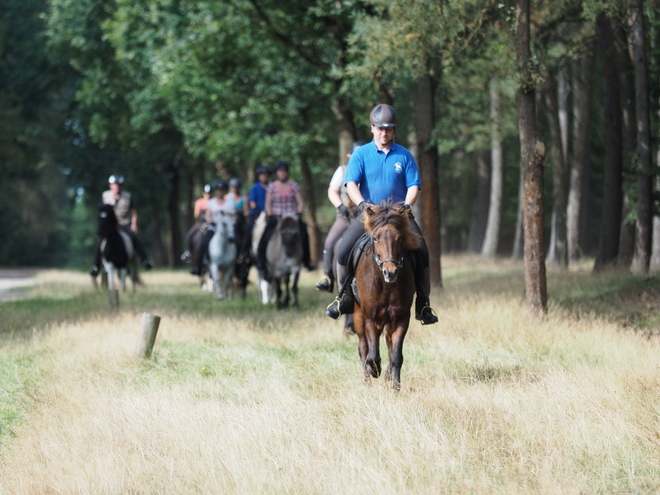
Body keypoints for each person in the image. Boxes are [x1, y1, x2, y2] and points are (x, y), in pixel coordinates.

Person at [324, 104, 438, 325]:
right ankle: (344, 298)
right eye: (380, 128)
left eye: (388, 128)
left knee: (422, 252)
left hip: (398, 215)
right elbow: (351, 183)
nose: (384, 132)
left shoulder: (404, 156)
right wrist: (362, 204)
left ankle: (423, 304)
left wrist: (407, 204)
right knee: (344, 249)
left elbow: (414, 185)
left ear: (394, 130)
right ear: (372, 128)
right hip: (370, 215)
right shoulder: (361, 154)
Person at [316, 141, 364, 293]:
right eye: (355, 154)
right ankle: (328, 277)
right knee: (329, 242)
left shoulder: (369, 168)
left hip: (366, 215)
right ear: (349, 155)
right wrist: (340, 206)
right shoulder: (342, 170)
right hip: (346, 216)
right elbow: (332, 190)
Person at [256, 161, 313, 273]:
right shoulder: (271, 186)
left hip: (291, 217)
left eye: (284, 171)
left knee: (304, 231)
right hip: (276, 217)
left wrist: (298, 213)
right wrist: (270, 213)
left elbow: (300, 202)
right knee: (265, 235)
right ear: (277, 173)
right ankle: (261, 260)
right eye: (280, 171)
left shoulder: (294, 185)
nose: (282, 173)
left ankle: (307, 260)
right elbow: (268, 204)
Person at [90, 174, 152, 277]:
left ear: (122, 186)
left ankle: (144, 260)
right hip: (110, 227)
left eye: (119, 185)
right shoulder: (105, 196)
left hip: (124, 224)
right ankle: (96, 265)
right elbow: (101, 212)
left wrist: (134, 224)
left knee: (135, 238)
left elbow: (133, 212)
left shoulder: (128, 196)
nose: (117, 187)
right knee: (100, 242)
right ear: (110, 185)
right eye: (114, 185)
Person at [192, 180, 233, 275]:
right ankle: (201, 262)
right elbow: (207, 216)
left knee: (237, 239)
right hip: (214, 227)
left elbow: (232, 215)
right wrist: (212, 222)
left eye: (222, 190)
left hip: (227, 228)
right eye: (218, 190)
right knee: (203, 241)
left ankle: (240, 259)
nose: (220, 192)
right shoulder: (211, 203)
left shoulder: (229, 203)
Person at [180, 183, 211, 263]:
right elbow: (196, 215)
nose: (207, 195)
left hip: (211, 224)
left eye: (209, 193)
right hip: (200, 223)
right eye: (206, 193)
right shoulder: (199, 202)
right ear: (203, 193)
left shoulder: (213, 202)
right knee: (189, 235)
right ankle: (188, 252)